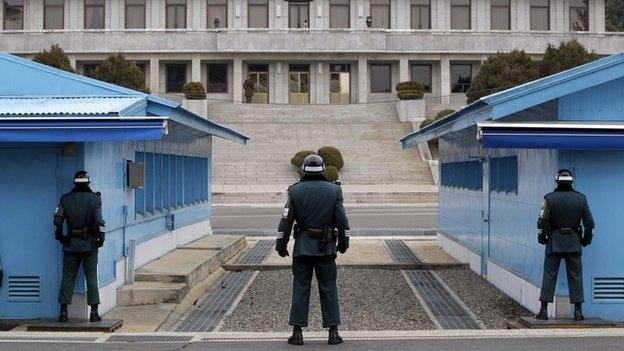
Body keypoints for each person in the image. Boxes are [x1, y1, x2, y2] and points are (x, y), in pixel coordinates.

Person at [276, 154, 350, 345]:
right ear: (324, 169)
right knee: (329, 287)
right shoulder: (335, 191)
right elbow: (342, 221)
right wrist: (343, 243)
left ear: (304, 170)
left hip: (302, 247)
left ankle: (297, 332)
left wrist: (281, 244)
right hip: (326, 248)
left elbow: (286, 221)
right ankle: (333, 332)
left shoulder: (295, 191)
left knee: (301, 287)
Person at [536, 169, 594, 321]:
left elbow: (542, 221)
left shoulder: (549, 198)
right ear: (571, 181)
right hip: (574, 242)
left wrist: (542, 237)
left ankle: (543, 310)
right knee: (575, 276)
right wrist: (585, 240)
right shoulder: (581, 199)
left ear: (557, 181)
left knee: (549, 275)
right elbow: (590, 223)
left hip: (554, 241)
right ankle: (578, 311)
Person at [54, 171, 106, 323]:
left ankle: (63, 312)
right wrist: (100, 239)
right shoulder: (95, 199)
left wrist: (60, 237)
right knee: (91, 278)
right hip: (89, 245)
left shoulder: (65, 199)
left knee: (67, 277)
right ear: (88, 183)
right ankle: (94, 313)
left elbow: (57, 221)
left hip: (70, 244)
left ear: (74, 183)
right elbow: (99, 223)